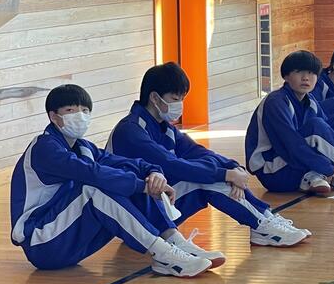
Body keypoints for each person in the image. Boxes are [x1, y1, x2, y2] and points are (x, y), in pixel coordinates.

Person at [10, 84, 221, 278]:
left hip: (68, 238)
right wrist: (143, 187)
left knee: (135, 179)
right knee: (95, 189)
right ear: (54, 117)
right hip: (41, 243)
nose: (80, 115)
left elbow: (124, 163)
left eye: (85, 110)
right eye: (71, 110)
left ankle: (175, 241)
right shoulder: (44, 148)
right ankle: (164, 254)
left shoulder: (84, 147)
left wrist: (154, 172)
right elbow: (92, 173)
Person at [108, 63, 309, 247]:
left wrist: (232, 167)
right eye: (175, 99)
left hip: (160, 201)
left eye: (182, 99)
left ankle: (265, 216)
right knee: (207, 181)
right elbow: (172, 165)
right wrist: (225, 174)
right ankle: (261, 226)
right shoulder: (131, 130)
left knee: (215, 171)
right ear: (154, 97)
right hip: (135, 211)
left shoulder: (164, 127)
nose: (180, 105)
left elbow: (197, 152)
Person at [246, 50, 334, 194]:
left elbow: (329, 134)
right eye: (299, 72)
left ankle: (331, 174)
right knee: (315, 126)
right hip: (273, 172)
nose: (306, 78)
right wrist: (332, 169)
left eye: (311, 73)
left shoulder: (309, 100)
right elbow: (292, 145)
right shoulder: (276, 102)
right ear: (286, 76)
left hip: (296, 164)